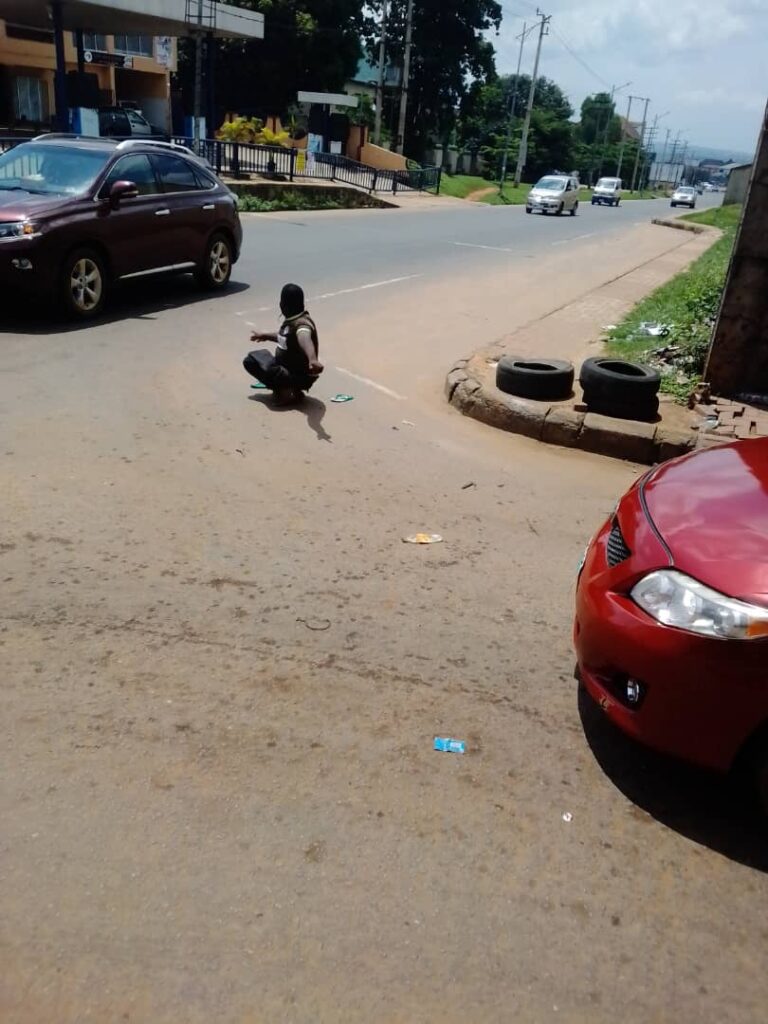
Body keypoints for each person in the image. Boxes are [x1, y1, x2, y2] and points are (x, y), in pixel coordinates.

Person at [243, 283, 323, 405]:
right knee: (254, 358)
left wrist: (312, 359)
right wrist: (265, 336)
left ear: (282, 305)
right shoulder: (294, 320)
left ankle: (286, 390)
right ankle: (293, 390)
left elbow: (304, 339)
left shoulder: (302, 324)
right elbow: (285, 337)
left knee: (254, 364)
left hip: (297, 375)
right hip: (292, 372)